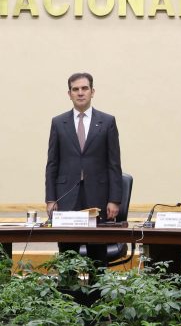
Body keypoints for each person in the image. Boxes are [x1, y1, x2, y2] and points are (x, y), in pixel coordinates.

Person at [45, 72, 122, 266]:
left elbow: (114, 163)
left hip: (98, 196)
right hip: (66, 197)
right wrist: (50, 199)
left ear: (92, 92)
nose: (80, 93)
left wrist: (114, 199)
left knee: (97, 257)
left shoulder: (107, 121)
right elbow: (52, 163)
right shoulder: (58, 122)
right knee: (67, 257)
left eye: (84, 88)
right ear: (69, 94)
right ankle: (66, 295)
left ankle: (97, 296)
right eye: (75, 89)